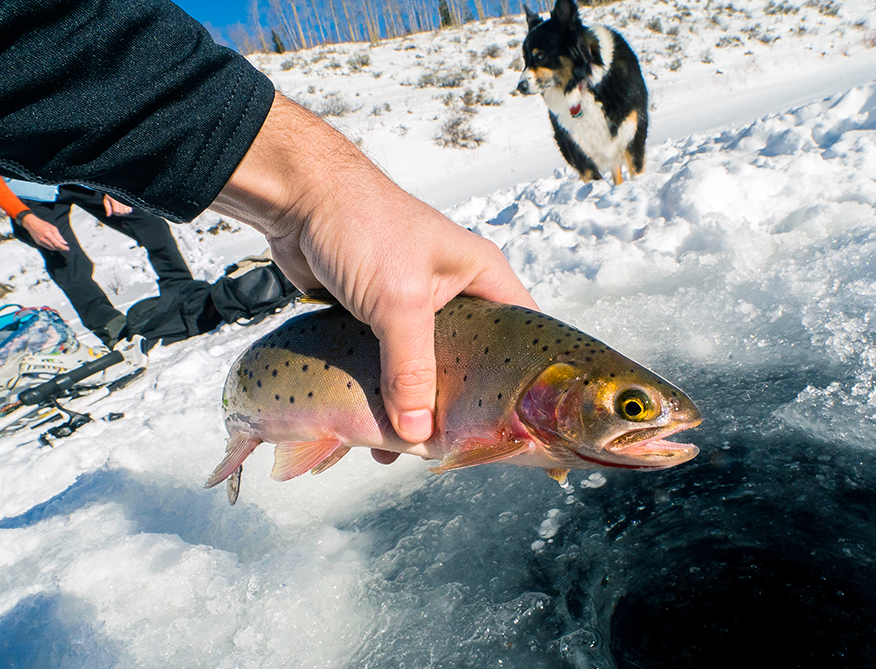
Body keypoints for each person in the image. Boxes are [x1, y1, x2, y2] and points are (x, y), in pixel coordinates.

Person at [0, 0, 536, 450]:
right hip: (24, 192)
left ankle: (184, 293)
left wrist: (316, 196)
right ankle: (111, 331)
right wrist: (21, 214)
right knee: (69, 261)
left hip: (75, 168)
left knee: (153, 231)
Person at [0, 178, 195, 347]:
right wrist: (24, 217)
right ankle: (116, 333)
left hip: (78, 173)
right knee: (67, 263)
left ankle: (185, 293)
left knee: (148, 223)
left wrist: (113, 184)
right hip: (29, 193)